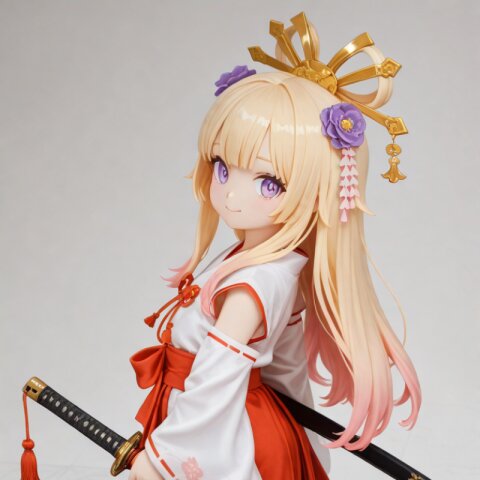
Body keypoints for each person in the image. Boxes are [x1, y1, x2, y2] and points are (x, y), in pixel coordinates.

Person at [128, 11, 421, 480]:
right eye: (222, 168)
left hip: (219, 427)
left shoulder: (258, 281)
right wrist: (298, 429)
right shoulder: (267, 262)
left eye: (268, 182)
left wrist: (163, 461)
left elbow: (216, 377)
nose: (231, 194)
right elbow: (285, 367)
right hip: (213, 415)